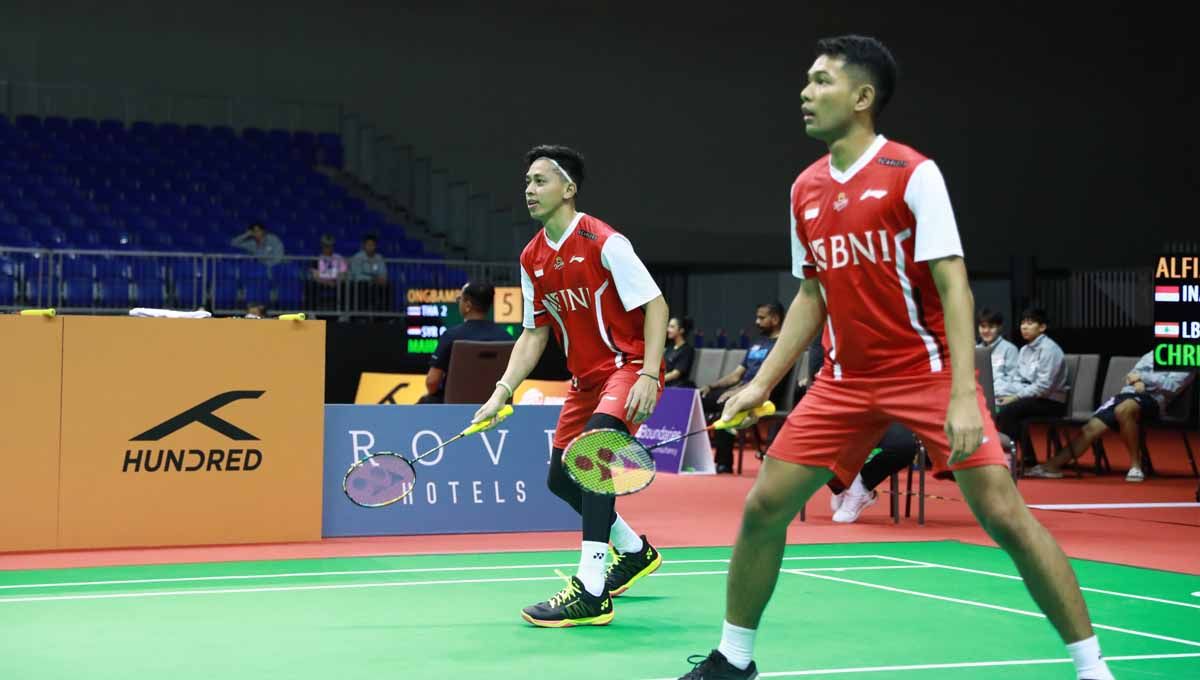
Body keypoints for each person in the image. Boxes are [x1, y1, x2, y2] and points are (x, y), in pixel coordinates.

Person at [677, 35, 1112, 680]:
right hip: (844, 382)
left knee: (1005, 517)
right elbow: (810, 294)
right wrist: (760, 383)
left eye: (822, 81)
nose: (805, 92)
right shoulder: (805, 188)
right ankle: (733, 659)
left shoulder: (912, 173)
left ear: (862, 97)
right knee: (764, 506)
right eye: (806, 80)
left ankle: (1091, 666)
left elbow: (954, 285)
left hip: (927, 375)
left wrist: (965, 393)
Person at [472, 145, 669, 628]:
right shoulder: (531, 256)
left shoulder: (605, 242)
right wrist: (502, 391)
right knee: (560, 477)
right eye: (527, 182)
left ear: (568, 188)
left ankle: (592, 590)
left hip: (628, 368)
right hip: (584, 382)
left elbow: (657, 307)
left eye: (540, 181)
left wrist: (648, 373)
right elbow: (534, 332)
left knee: (596, 457)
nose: (529, 190)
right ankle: (633, 551)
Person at [1028, 350, 1194, 482]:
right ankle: (1052, 467)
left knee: (1124, 410)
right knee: (1090, 428)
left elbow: (1172, 386)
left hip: (1154, 401)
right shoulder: (1154, 353)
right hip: (1126, 395)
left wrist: (1143, 378)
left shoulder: (1188, 357)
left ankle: (1136, 465)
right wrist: (1137, 381)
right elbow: (1132, 374)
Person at [699, 303, 785, 473]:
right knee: (697, 401)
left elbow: (767, 380)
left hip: (765, 395)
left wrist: (737, 393)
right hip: (743, 390)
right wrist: (711, 386)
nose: (757, 321)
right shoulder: (757, 343)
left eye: (762, 318)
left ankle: (723, 463)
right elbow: (736, 375)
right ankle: (690, 457)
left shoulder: (782, 346)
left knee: (727, 405)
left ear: (775, 319)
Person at [994, 308, 1069, 467]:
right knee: (997, 403)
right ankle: (1027, 458)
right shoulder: (1024, 350)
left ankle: (1008, 459)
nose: (1024, 327)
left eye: (1030, 323)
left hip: (1051, 401)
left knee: (1010, 409)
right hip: (1031, 397)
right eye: (1022, 323)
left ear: (1042, 327)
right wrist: (1002, 392)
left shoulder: (1050, 350)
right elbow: (1019, 379)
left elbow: (1044, 387)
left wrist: (1015, 397)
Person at [419, 281, 514, 404]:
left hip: (453, 409)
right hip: (496, 406)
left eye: (460, 299)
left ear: (467, 305)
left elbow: (432, 382)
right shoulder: (507, 338)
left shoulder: (451, 336)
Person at [977, 307, 1019, 396]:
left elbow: (1013, 379)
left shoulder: (1009, 349)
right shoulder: (976, 349)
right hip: (978, 394)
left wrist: (992, 390)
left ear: (999, 328)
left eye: (991, 327)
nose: (986, 331)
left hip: (1001, 394)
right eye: (983, 326)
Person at [349, 233, 389, 311]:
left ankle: (384, 314)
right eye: (369, 245)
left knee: (388, 286)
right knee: (362, 286)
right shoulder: (357, 257)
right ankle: (361, 314)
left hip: (375, 283)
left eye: (373, 245)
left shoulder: (379, 258)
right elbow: (357, 275)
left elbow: (383, 273)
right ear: (364, 246)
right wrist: (372, 279)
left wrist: (382, 279)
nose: (371, 247)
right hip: (361, 284)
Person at [307, 234, 347, 310]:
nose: (328, 248)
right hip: (321, 283)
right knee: (310, 285)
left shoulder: (339, 258)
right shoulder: (316, 258)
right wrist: (327, 282)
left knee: (347, 286)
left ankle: (343, 313)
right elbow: (315, 275)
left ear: (333, 246)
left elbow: (344, 273)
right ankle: (312, 313)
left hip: (337, 283)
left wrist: (336, 281)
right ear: (322, 246)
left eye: (330, 245)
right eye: (325, 245)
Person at [663, 317, 696, 388]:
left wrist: (658, 380)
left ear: (681, 330)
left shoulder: (687, 350)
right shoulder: (670, 347)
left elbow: (675, 374)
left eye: (672, 327)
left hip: (677, 387)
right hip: (665, 384)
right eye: (668, 326)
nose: (668, 329)